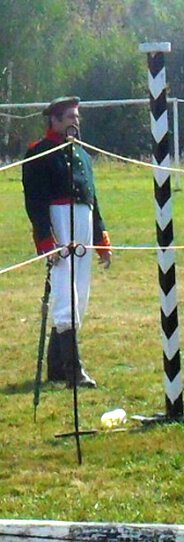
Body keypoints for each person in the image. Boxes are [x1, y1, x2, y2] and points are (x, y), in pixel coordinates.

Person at [22, 96, 111, 388]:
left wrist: (100, 237)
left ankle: (57, 367)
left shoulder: (81, 154)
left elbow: (91, 198)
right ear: (55, 120)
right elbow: (35, 202)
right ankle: (73, 369)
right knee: (64, 293)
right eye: (70, 116)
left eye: (77, 116)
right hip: (59, 225)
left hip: (82, 224)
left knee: (80, 295)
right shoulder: (38, 153)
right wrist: (47, 240)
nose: (75, 121)